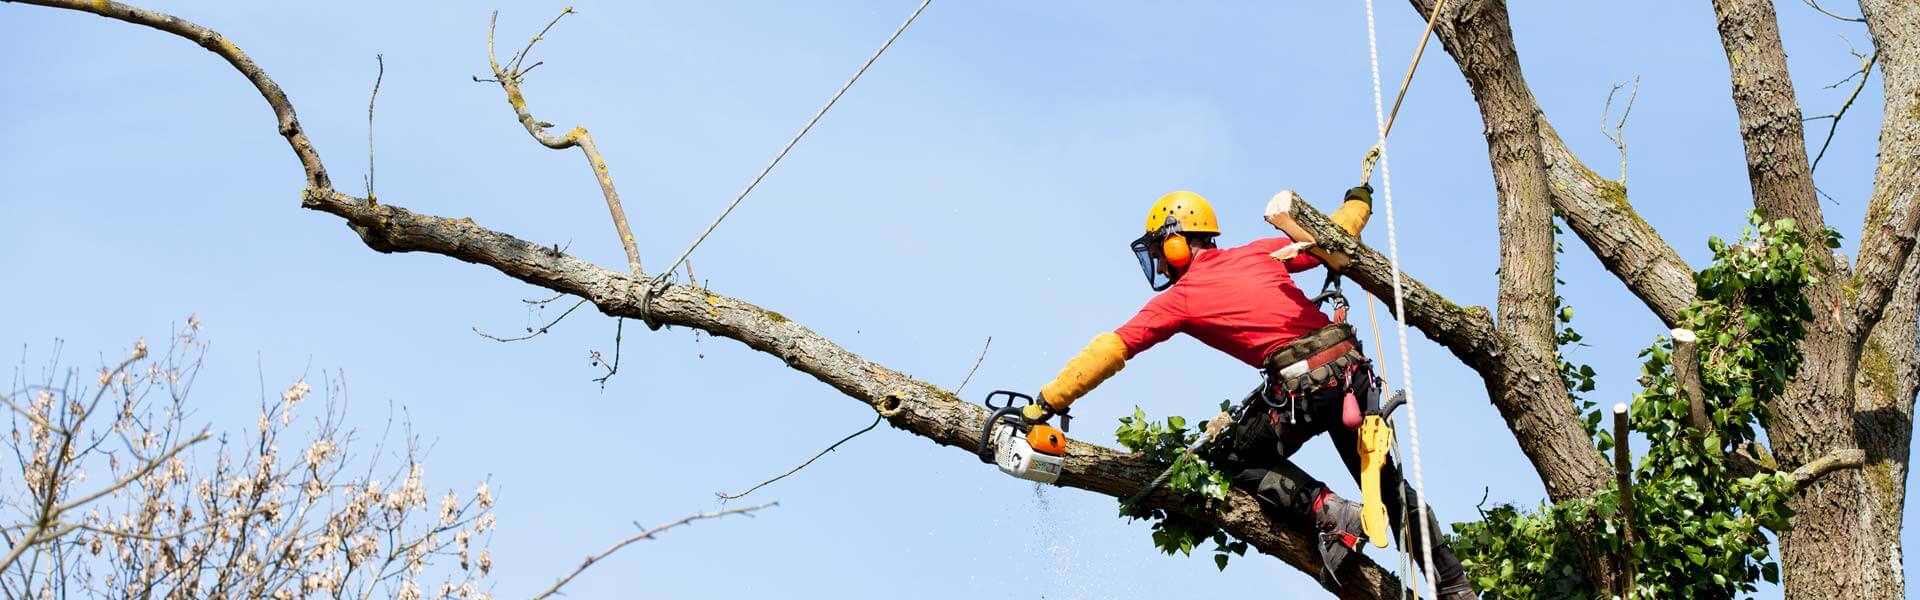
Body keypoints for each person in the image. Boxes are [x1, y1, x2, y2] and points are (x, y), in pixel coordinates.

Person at [1020, 190, 1475, 598]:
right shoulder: (1262, 251)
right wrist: (1360, 199)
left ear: (1178, 243)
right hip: (1350, 374)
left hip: (1303, 386)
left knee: (1234, 459)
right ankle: (1455, 586)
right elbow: (1336, 232)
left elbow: (1112, 348)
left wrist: (1048, 400)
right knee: (1386, 485)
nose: (1159, 265)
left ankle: (1330, 512)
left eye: (1160, 252)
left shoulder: (1182, 297)